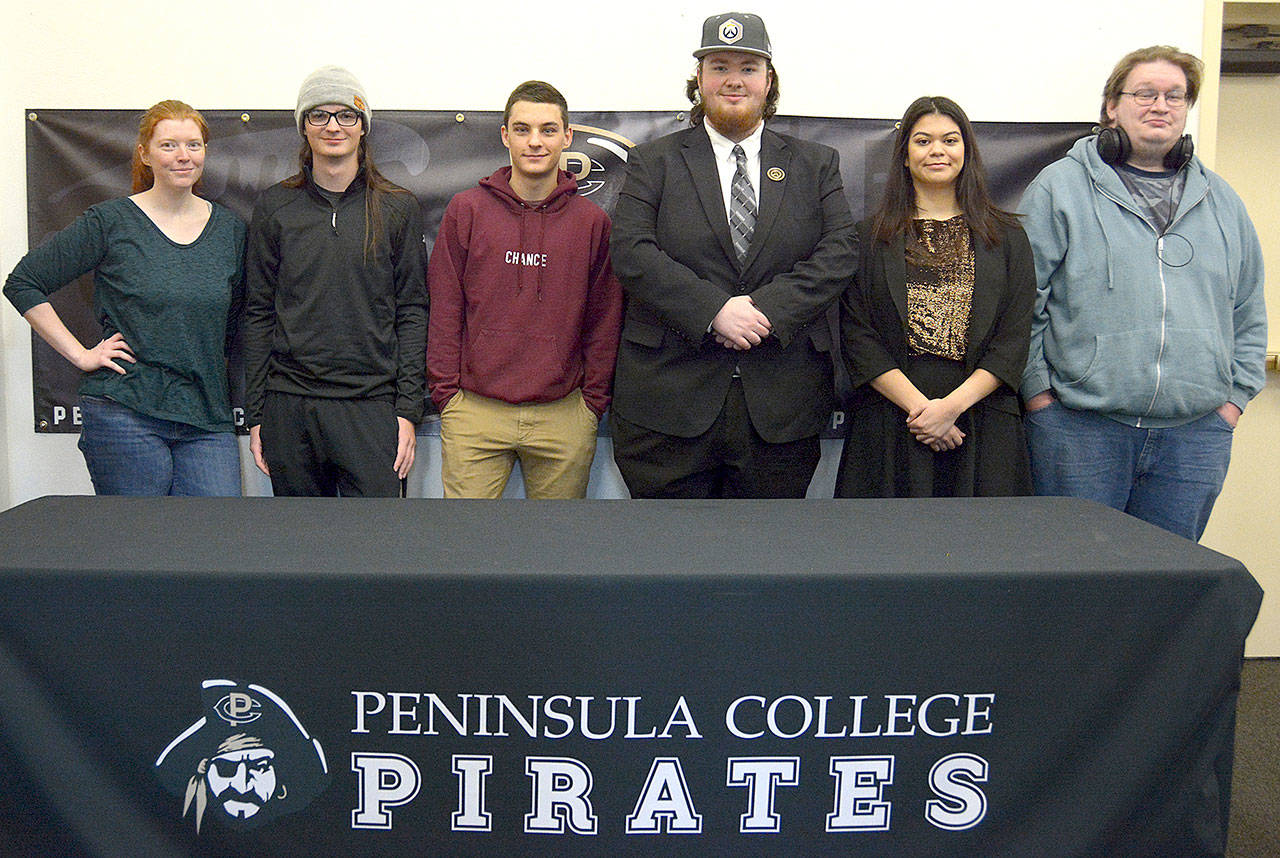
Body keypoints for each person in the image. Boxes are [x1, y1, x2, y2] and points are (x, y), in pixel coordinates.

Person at [1019, 46, 1266, 541]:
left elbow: (1248, 308)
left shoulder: (1222, 200)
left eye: (1176, 96)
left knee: (1166, 590)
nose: (1161, 106)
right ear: (1112, 105)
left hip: (1195, 437)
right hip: (1080, 431)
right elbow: (1024, 302)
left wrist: (1234, 399)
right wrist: (1039, 395)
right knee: (1077, 584)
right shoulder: (1059, 187)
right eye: (1145, 93)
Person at [609, 12, 856, 498]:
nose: (734, 80)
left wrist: (763, 311)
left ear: (769, 81)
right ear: (699, 81)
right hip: (667, 411)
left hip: (780, 410)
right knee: (669, 563)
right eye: (719, 67)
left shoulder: (815, 164)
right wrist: (715, 311)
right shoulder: (652, 162)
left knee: (765, 562)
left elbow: (839, 252)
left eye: (748, 67)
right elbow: (632, 251)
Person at [4, 100, 245, 496]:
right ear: (144, 153)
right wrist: (82, 355)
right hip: (124, 412)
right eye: (168, 145)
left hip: (206, 417)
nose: (183, 156)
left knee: (213, 543)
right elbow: (23, 282)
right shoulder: (110, 222)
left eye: (193, 145)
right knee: (137, 548)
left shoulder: (230, 231)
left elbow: (237, 324)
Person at [427, 81, 623, 498]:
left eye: (548, 130)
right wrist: (446, 395)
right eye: (522, 129)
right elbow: (444, 308)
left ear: (568, 137)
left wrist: (591, 404)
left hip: (563, 416)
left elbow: (605, 319)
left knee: (555, 552)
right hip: (474, 414)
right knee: (468, 549)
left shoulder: (592, 222)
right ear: (504, 135)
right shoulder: (466, 211)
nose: (535, 142)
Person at [835, 96, 1035, 498]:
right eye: (923, 141)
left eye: (950, 140)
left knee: (981, 552)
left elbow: (1013, 339)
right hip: (892, 420)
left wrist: (950, 409)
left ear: (967, 152)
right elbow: (858, 337)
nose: (938, 150)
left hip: (981, 420)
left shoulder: (1008, 237)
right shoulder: (867, 239)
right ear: (905, 157)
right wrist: (923, 412)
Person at [244, 66, 428, 497]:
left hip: (371, 407)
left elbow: (414, 312)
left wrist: (408, 411)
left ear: (363, 127)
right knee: (301, 550)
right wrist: (257, 414)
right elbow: (257, 314)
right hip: (289, 405)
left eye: (346, 115)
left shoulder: (398, 208)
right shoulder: (275, 207)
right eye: (319, 115)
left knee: (377, 550)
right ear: (303, 128)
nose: (333, 126)